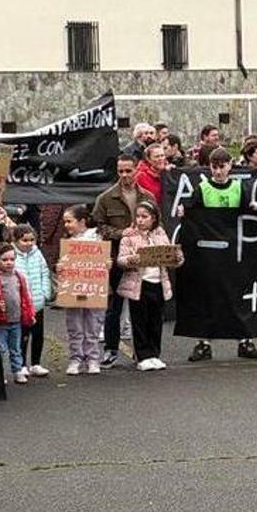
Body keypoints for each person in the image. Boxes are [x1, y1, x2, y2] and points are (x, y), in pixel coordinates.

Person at [178, 148, 257, 363]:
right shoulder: (202, 188)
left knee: (238, 297)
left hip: (233, 253)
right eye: (214, 167)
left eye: (222, 167)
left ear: (230, 166)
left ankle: (245, 341)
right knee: (207, 297)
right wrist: (184, 212)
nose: (218, 171)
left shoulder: (238, 187)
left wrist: (255, 208)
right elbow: (191, 216)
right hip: (209, 254)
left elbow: (247, 216)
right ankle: (203, 343)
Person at [92, 154, 153, 369]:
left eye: (128, 170)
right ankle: (110, 349)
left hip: (141, 259)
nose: (125, 175)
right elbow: (99, 226)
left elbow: (157, 223)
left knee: (140, 307)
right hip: (116, 258)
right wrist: (120, 233)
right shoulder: (106, 198)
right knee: (114, 308)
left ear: (137, 170)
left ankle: (141, 350)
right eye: (121, 171)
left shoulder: (147, 196)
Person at [116, 202, 183, 372]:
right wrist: (131, 260)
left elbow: (172, 257)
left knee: (155, 320)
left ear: (153, 218)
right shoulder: (129, 236)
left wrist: (177, 257)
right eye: (138, 216)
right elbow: (121, 260)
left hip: (158, 282)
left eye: (144, 217)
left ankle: (154, 354)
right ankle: (142, 356)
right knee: (139, 321)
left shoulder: (160, 234)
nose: (140, 220)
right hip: (139, 284)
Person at [59, 204, 105, 375]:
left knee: (93, 325)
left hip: (94, 288)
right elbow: (61, 264)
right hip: (74, 289)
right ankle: (75, 358)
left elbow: (104, 260)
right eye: (65, 222)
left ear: (82, 221)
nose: (66, 225)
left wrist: (106, 264)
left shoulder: (98, 239)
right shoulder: (67, 242)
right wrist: (60, 267)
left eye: (69, 221)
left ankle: (93, 359)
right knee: (74, 326)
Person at [0, 242, 37, 384]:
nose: (9, 263)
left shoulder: (19, 276)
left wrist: (30, 314)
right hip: (0, 321)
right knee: (0, 349)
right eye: (4, 260)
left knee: (16, 348)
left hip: (16, 320)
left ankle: (17, 371)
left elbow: (25, 297)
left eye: (12, 259)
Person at [13, 224, 53, 378]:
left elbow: (45, 272)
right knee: (22, 335)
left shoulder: (37, 254)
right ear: (16, 241)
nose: (29, 243)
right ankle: (22, 364)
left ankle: (36, 363)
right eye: (25, 240)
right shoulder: (13, 255)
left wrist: (45, 293)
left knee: (38, 334)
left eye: (32, 240)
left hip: (37, 301)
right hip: (21, 303)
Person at [134, 143, 168, 208]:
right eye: (157, 156)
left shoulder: (169, 172)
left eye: (162, 155)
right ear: (149, 159)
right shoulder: (141, 177)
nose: (160, 159)